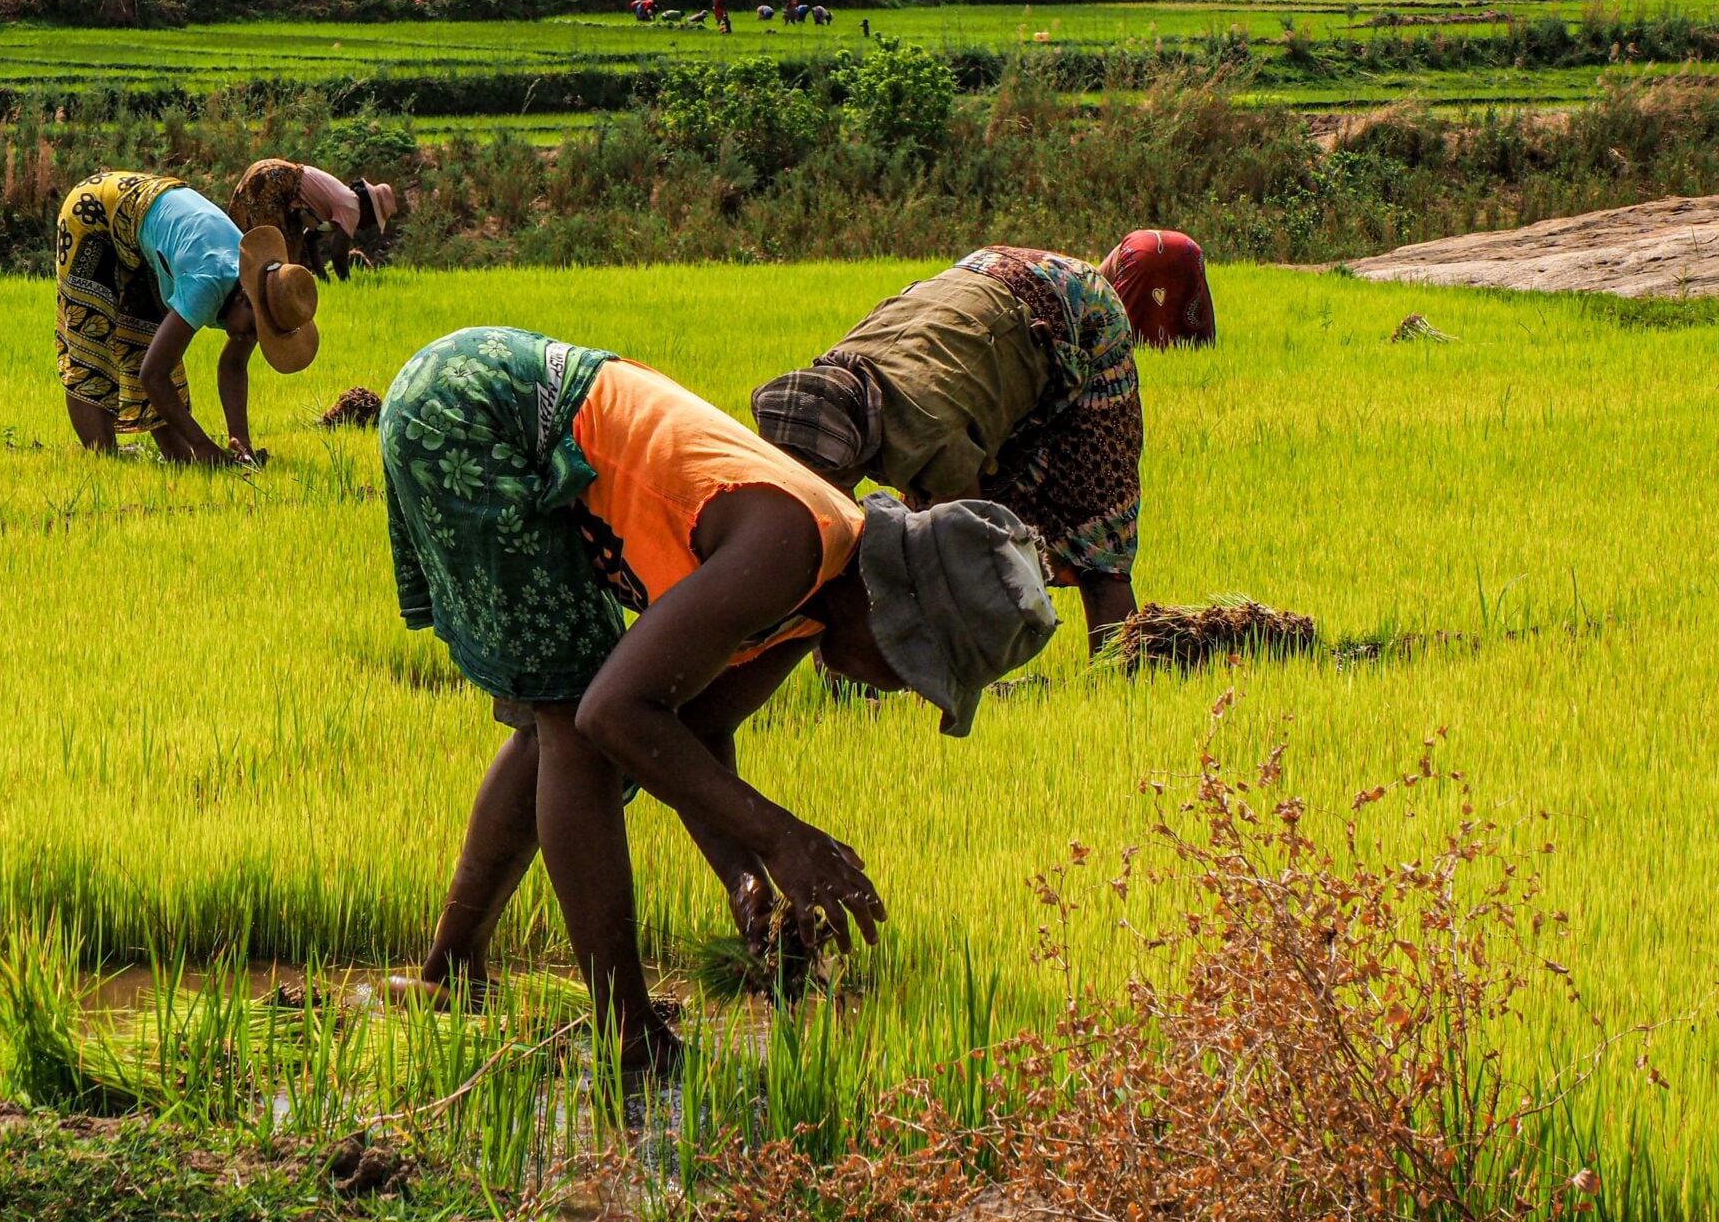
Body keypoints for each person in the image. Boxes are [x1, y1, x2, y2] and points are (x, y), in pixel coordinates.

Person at [383, 327, 1056, 1071]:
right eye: (908, 664)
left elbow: (694, 728)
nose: (894, 685)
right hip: (476, 411)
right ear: (887, 605)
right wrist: (782, 840)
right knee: (573, 728)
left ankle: (450, 973)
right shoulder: (791, 546)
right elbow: (612, 715)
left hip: (509, 406)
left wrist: (743, 878)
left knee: (561, 719)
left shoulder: (814, 600)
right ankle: (627, 1033)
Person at [752, 245, 1144, 651]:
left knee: (1094, 515)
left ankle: (1122, 670)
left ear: (847, 459)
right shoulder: (824, 392)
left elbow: (969, 560)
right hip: (979, 284)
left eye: (826, 481)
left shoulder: (928, 432)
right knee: (927, 521)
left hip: (1076, 305)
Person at [56, 170, 320, 465]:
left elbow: (233, 367)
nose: (251, 338)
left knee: (143, 335)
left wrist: (240, 440)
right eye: (255, 328)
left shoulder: (256, 291)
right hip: (95, 210)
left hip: (145, 222)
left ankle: (178, 460)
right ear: (244, 299)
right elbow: (153, 375)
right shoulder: (207, 283)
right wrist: (203, 445)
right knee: (91, 338)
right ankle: (103, 463)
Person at [228, 159, 399, 281]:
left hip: (266, 170)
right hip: (275, 182)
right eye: (372, 221)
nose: (366, 226)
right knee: (273, 252)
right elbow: (338, 255)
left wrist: (324, 278)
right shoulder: (352, 207)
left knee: (288, 252)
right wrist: (346, 284)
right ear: (367, 208)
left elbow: (310, 240)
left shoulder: (340, 205)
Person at [1103, 229, 1216, 347]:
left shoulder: (1094, 279)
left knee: (1126, 335)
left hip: (1138, 252)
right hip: (1190, 249)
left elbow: (1099, 286)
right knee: (1196, 340)